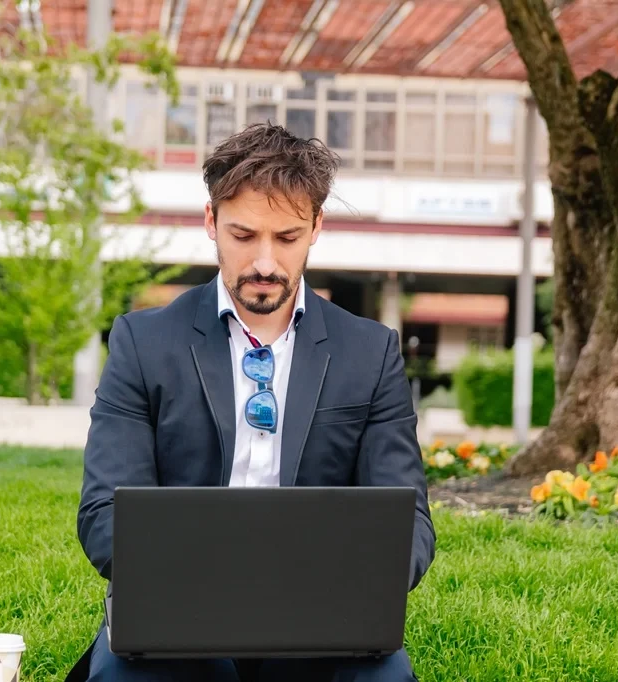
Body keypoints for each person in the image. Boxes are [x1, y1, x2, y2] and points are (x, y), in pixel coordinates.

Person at [67, 124, 435, 682]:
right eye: (243, 235)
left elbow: (410, 522)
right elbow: (102, 514)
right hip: (178, 615)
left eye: (287, 238)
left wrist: (351, 584)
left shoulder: (371, 352)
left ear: (316, 227)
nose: (265, 263)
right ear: (211, 221)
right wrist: (199, 589)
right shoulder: (143, 343)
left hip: (326, 620)